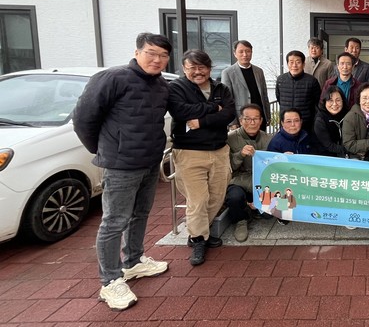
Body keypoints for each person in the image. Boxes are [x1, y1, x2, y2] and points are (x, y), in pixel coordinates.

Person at [72, 33, 172, 311]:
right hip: (120, 165)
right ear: (137, 52)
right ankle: (110, 280)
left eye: (163, 55)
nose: (157, 60)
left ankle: (134, 261)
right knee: (114, 222)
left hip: (150, 161)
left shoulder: (160, 84)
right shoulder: (112, 78)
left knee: (141, 213)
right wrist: (104, 149)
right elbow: (83, 118)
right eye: (151, 53)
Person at [168, 49, 235, 266]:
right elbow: (181, 112)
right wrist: (213, 107)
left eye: (202, 67)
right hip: (190, 152)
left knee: (217, 196)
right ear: (184, 68)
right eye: (192, 68)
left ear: (209, 68)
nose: (198, 72)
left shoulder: (221, 88)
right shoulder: (177, 87)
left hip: (219, 150)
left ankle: (201, 231)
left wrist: (202, 121)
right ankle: (197, 239)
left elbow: (229, 114)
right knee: (198, 200)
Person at [225, 104, 273, 243]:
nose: (252, 122)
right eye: (247, 119)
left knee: (268, 215)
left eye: (256, 119)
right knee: (235, 197)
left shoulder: (268, 138)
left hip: (261, 181)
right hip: (238, 181)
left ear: (261, 120)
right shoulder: (229, 139)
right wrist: (240, 155)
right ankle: (241, 221)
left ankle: (253, 208)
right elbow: (228, 167)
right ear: (241, 120)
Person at [267, 108, 312, 225]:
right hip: (285, 178)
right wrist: (281, 159)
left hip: (305, 176)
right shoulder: (276, 142)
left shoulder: (308, 136)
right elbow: (270, 167)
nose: (293, 125)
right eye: (288, 121)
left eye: (296, 121)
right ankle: (282, 214)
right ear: (282, 123)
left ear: (301, 122)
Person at [220, 40, 271, 131]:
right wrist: (232, 122)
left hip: (259, 117)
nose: (245, 54)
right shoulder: (228, 73)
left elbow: (264, 95)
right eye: (241, 52)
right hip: (242, 118)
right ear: (235, 54)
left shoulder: (259, 71)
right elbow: (226, 101)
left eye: (248, 51)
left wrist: (267, 115)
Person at [276, 50, 321, 133]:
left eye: (298, 62)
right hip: (286, 123)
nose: (294, 65)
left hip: (306, 124)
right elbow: (279, 99)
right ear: (287, 64)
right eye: (291, 62)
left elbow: (317, 102)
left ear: (303, 64)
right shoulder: (281, 80)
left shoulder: (312, 81)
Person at [342, 82, 369, 161]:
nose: (368, 101)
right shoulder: (350, 117)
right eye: (364, 98)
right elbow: (349, 144)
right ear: (359, 100)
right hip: (357, 158)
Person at [313, 86, 349, 157]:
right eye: (330, 100)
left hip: (343, 154)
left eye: (338, 100)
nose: (334, 104)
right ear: (325, 102)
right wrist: (352, 149)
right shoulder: (320, 120)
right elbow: (329, 146)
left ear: (343, 101)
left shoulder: (347, 115)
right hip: (325, 157)